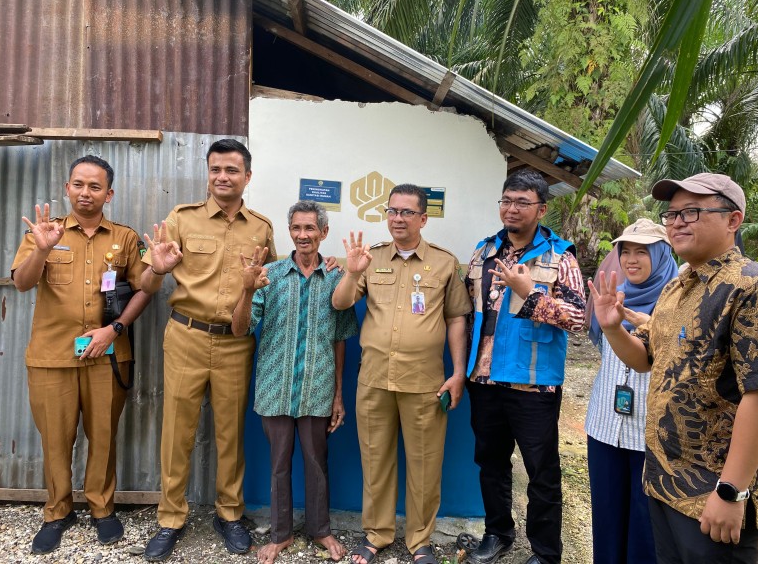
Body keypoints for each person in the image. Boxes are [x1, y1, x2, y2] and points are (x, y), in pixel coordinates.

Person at [589, 173, 758, 564]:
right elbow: (646, 359)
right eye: (673, 213)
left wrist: (731, 490)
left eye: (692, 212)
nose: (677, 221)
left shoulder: (755, 287)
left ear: (733, 220)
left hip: (712, 495)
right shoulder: (678, 288)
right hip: (665, 485)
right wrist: (613, 328)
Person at [140, 139, 277, 561]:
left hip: (237, 341)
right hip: (186, 336)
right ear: (208, 173)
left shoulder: (262, 228)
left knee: (230, 434)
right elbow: (147, 284)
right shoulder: (181, 220)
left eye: (232, 170)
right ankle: (170, 518)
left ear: (247, 177)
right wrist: (156, 270)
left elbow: (271, 283)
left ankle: (230, 514)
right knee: (176, 432)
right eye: (216, 169)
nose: (223, 177)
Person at [11, 155, 151, 554]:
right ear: (67, 187)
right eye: (78, 184)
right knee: (56, 439)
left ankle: (102, 508)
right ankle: (57, 511)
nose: (85, 193)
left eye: (94, 187)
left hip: (107, 354)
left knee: (103, 436)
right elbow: (21, 283)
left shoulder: (124, 238)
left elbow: (145, 286)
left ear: (109, 193)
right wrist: (41, 249)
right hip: (51, 356)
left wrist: (115, 328)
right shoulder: (45, 231)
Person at [331, 184, 471, 564]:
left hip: (425, 383)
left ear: (423, 218)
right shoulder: (370, 258)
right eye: (392, 211)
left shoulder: (444, 263)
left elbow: (457, 318)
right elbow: (340, 303)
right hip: (374, 379)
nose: (398, 218)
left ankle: (420, 540)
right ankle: (376, 534)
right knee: (375, 460)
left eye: (407, 212)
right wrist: (351, 272)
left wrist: (458, 372)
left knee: (425, 463)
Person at [464, 170, 586, 564]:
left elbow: (577, 318)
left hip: (533, 384)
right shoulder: (484, 251)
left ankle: (546, 553)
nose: (511, 209)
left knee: (542, 473)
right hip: (484, 379)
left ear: (542, 209)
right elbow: (468, 309)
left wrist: (528, 293)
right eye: (506, 200)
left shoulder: (559, 256)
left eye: (521, 202)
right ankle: (498, 532)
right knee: (491, 463)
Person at [231, 200, 359, 564]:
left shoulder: (337, 277)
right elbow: (240, 330)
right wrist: (246, 289)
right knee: (278, 464)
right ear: (290, 232)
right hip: (275, 387)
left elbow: (340, 338)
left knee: (317, 461)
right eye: (297, 228)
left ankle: (321, 530)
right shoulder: (267, 275)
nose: (303, 235)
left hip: (317, 390)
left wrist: (337, 395)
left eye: (310, 228)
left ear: (323, 233)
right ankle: (280, 534)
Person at [585, 219, 678, 564]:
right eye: (626, 251)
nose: (631, 260)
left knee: (645, 528)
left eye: (643, 251)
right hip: (605, 426)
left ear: (662, 253)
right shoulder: (613, 294)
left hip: (652, 434)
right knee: (606, 520)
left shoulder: (679, 300)